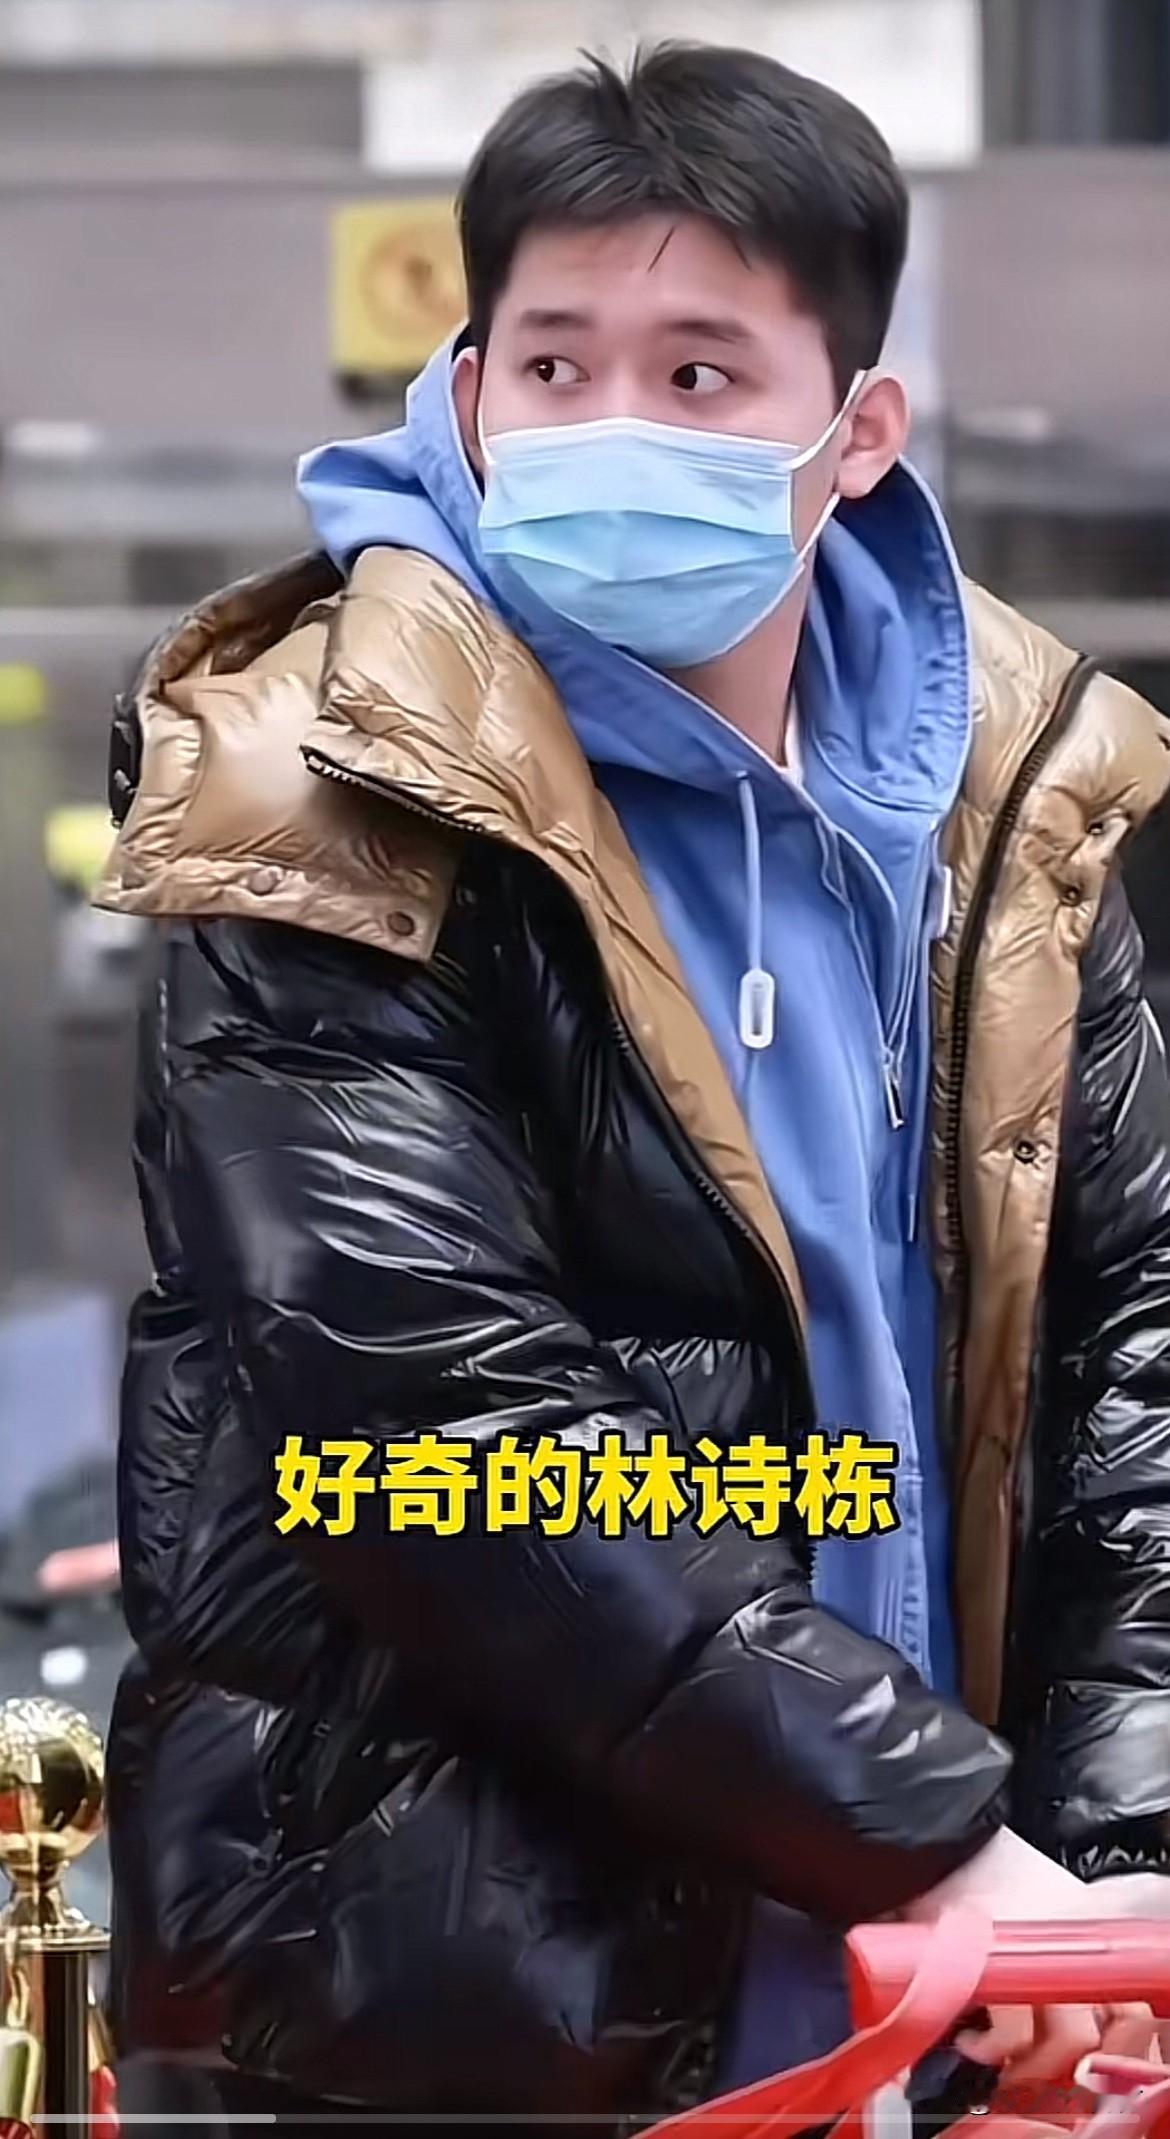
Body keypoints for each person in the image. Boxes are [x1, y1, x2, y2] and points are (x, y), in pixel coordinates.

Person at [97, 44, 1170, 2137]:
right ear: (467, 387)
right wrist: (935, 1839)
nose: (609, 427)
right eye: (553, 363)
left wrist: (1110, 1861)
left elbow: (1135, 1355)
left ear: (859, 433)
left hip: (946, 1994)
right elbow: (437, 1430)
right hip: (468, 1999)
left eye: (698, 375)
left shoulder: (1009, 806)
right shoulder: (321, 795)